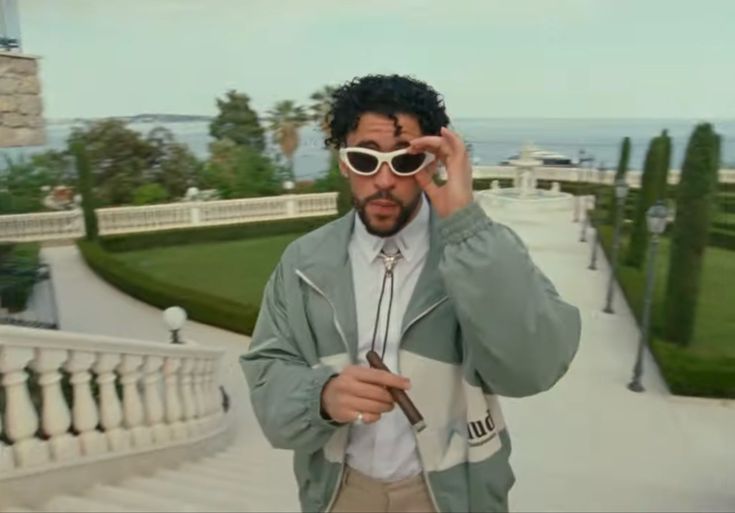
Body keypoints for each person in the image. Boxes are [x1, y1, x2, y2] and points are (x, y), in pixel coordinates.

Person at [240, 74, 581, 513]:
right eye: (366, 160)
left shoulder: (483, 251)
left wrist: (465, 223)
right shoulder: (302, 262)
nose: (384, 180)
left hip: (447, 496)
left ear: (432, 162)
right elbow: (266, 374)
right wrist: (320, 397)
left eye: (404, 162)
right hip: (339, 494)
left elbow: (532, 369)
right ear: (344, 162)